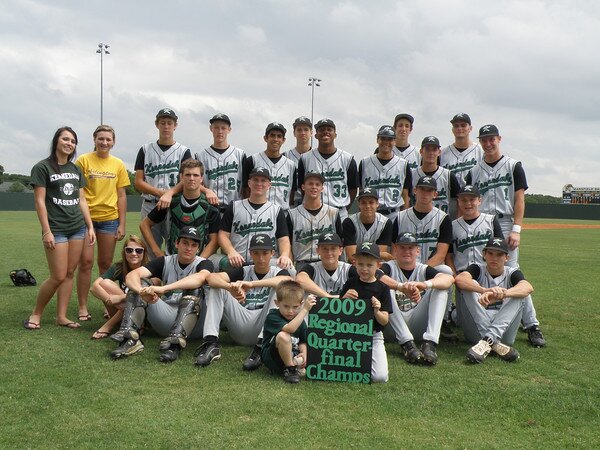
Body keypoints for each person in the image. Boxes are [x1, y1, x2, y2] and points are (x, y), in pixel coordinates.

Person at [465, 124, 545, 347]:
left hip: (506, 221)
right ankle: (489, 318)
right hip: (484, 222)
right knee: (481, 269)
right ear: (480, 142)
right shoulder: (474, 170)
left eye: (492, 139)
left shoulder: (513, 165)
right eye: (484, 140)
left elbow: (520, 199)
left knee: (514, 274)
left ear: (499, 139)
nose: (488, 144)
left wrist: (516, 229)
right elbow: (471, 198)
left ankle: (532, 325)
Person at [25, 127, 95, 330]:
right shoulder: (42, 167)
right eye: (65, 139)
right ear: (57, 141)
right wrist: (46, 230)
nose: (69, 143)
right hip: (56, 229)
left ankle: (61, 316)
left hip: (77, 228)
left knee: (70, 272)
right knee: (58, 275)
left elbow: (82, 199)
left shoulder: (75, 169)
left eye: (73, 141)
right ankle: (36, 313)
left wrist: (89, 226)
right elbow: (39, 201)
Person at [109, 226, 213, 363]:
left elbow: (200, 278)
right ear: (177, 243)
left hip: (195, 324)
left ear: (198, 248)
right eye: (185, 243)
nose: (189, 248)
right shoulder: (166, 261)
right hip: (166, 317)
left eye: (194, 245)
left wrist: (164, 289)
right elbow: (133, 275)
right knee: (142, 283)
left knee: (195, 288)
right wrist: (141, 291)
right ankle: (130, 340)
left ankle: (174, 346)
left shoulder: (204, 263)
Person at [193, 234, 292, 371]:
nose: (261, 258)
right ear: (250, 254)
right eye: (256, 253)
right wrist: (230, 288)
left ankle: (260, 348)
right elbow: (211, 277)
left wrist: (251, 284)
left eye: (265, 253)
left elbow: (286, 282)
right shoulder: (243, 270)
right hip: (240, 323)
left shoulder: (279, 272)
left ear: (272, 253)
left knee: (280, 289)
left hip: (264, 326)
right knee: (217, 288)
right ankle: (211, 343)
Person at [75, 125, 130, 322]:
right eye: (101, 139)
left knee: (105, 264)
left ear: (113, 142)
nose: (104, 142)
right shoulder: (83, 160)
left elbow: (122, 195)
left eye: (108, 139)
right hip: (85, 219)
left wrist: (121, 224)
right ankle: (82, 306)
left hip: (109, 219)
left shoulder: (118, 164)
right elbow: (78, 192)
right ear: (94, 139)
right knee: (86, 263)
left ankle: (108, 304)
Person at [379, 232, 454, 365]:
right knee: (385, 288)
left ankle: (430, 344)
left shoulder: (423, 269)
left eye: (411, 248)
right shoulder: (389, 266)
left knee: (440, 289)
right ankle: (407, 344)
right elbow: (376, 275)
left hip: (418, 324)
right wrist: (400, 287)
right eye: (402, 247)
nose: (407, 251)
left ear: (417, 251)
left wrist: (424, 285)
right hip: (393, 328)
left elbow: (449, 279)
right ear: (395, 250)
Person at [455, 237, 530, 363]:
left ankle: (487, 341)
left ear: (507, 258)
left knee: (518, 293)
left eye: (499, 254)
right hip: (476, 329)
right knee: (469, 285)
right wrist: (484, 291)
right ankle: (493, 342)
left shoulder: (512, 273)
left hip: (504, 331)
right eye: (490, 253)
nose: (494, 258)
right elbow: (460, 279)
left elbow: (527, 287)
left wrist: (504, 293)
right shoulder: (477, 268)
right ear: (484, 254)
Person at [134, 108, 192, 257]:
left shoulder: (183, 151)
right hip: (149, 204)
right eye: (163, 123)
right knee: (150, 250)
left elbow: (185, 180)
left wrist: (170, 194)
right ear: (157, 124)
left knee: (175, 247)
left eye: (169, 123)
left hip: (174, 206)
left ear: (175, 126)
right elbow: (138, 182)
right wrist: (161, 194)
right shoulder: (145, 150)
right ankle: (153, 280)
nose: (166, 126)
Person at [140, 159, 219, 258]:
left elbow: (215, 239)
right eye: (187, 175)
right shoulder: (170, 201)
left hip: (199, 259)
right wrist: (157, 252)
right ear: (181, 177)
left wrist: (200, 261)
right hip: (172, 258)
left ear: (201, 178)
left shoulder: (210, 204)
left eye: (195, 175)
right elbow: (144, 224)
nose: (191, 178)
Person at [218, 167, 292, 270]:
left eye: (263, 180)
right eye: (255, 180)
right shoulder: (234, 207)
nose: (259, 183)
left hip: (267, 263)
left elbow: (283, 239)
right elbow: (222, 235)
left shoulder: (276, 210)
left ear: (269, 185)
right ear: (249, 183)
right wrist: (231, 251)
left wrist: (284, 255)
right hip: (238, 261)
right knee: (214, 261)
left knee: (290, 269)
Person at [339, 242, 392, 383]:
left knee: (379, 377)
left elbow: (384, 321)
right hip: (350, 333)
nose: (364, 269)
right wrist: (343, 300)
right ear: (354, 263)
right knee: (338, 368)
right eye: (361, 264)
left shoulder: (383, 288)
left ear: (378, 265)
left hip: (373, 335)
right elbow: (338, 314)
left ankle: (364, 361)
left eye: (369, 265)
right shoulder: (350, 283)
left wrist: (376, 311)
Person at [297, 119, 358, 221]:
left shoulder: (347, 159)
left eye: (329, 129)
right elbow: (302, 187)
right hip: (313, 212)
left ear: (335, 135)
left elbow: (353, 189)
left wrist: (344, 208)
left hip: (340, 212)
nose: (325, 131)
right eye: (321, 129)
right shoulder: (305, 158)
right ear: (316, 135)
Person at [90, 235, 149, 339]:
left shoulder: (149, 269)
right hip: (122, 308)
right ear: (124, 252)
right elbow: (94, 287)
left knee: (135, 296)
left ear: (144, 253)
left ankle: (109, 325)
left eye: (139, 251)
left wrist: (120, 298)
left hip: (143, 314)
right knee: (105, 283)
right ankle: (124, 319)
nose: (134, 253)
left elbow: (148, 294)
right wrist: (110, 299)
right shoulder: (119, 267)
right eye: (129, 250)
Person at [261, 280, 316, 383]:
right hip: (273, 357)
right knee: (283, 336)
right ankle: (291, 369)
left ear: (300, 304)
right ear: (277, 303)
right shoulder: (272, 316)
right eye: (286, 306)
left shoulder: (299, 319)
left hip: (293, 353)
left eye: (295, 307)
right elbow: (291, 329)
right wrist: (304, 310)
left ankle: (295, 364)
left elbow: (302, 341)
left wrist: (304, 353)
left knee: (307, 354)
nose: (290, 311)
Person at [445, 185, 503, 275]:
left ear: (479, 200)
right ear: (458, 201)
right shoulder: (452, 226)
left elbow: (501, 251)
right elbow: (448, 256)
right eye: (463, 200)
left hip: (487, 275)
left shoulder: (491, 221)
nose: (468, 203)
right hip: (462, 275)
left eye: (472, 199)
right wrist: (455, 277)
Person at [287, 171, 342, 266]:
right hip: (302, 264)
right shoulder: (292, 214)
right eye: (310, 184)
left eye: (317, 184)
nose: (314, 187)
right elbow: (288, 245)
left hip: (327, 264)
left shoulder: (334, 213)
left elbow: (340, 243)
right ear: (303, 187)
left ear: (322, 188)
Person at [195, 113, 246, 213]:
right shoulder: (200, 156)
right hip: (208, 209)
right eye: (216, 128)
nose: (220, 131)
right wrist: (206, 191)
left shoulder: (240, 155)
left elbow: (246, 186)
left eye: (223, 128)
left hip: (234, 210)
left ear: (229, 130)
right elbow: (195, 183)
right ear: (211, 129)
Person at [360, 125, 411, 221]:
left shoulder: (403, 164)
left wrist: (404, 218)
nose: (386, 142)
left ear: (395, 141)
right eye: (383, 138)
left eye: (390, 139)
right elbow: (361, 191)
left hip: (395, 214)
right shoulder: (365, 163)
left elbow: (405, 195)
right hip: (371, 214)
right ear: (377, 140)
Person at [242, 122, 297, 210]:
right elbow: (245, 189)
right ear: (265, 138)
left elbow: (292, 193)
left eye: (279, 136)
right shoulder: (252, 160)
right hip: (258, 212)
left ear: (284, 140)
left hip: (283, 213)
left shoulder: (291, 165)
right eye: (272, 135)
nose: (275, 139)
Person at [411, 136, 460, 217]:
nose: (431, 153)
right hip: (416, 220)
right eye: (427, 149)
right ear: (421, 151)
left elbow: (459, 200)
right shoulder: (413, 175)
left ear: (439, 152)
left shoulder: (448, 175)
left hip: (442, 221)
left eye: (434, 149)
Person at [343, 188, 393, 264]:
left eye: (371, 202)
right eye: (363, 203)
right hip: (353, 266)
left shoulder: (385, 223)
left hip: (375, 266)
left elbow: (378, 259)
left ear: (377, 204)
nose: (367, 206)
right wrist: (381, 255)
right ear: (359, 204)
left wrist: (360, 254)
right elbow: (352, 258)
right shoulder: (349, 222)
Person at [295, 233, 352, 298]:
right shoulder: (312, 268)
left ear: (340, 251)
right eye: (325, 249)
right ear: (318, 251)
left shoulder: (348, 269)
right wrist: (329, 297)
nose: (329, 253)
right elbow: (300, 280)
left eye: (333, 248)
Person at [440, 113, 483, 189]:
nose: (459, 128)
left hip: (473, 198)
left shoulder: (481, 151)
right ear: (452, 129)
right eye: (456, 126)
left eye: (463, 125)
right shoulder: (442, 154)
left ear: (470, 128)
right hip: (450, 199)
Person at [284, 116, 313, 207]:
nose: (303, 133)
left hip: (312, 204)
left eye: (306, 129)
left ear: (311, 133)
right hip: (292, 204)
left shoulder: (317, 156)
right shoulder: (285, 156)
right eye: (299, 130)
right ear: (294, 133)